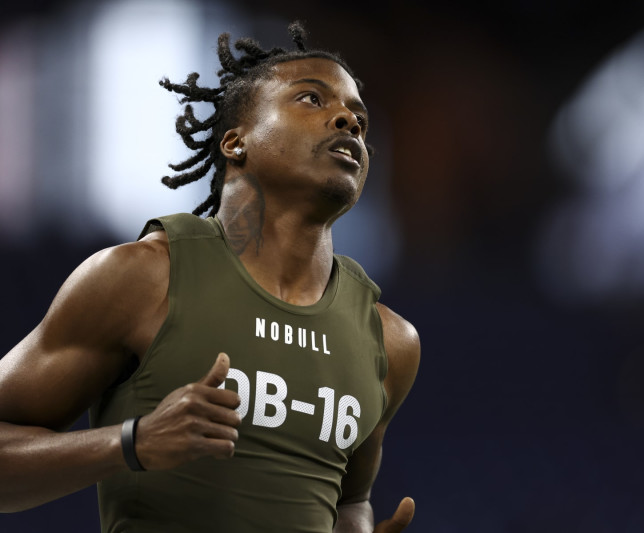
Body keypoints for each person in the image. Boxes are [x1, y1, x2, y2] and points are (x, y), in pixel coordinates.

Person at [0, 21, 419, 533]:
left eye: (359, 119)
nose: (347, 123)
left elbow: (350, 501)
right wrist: (132, 442)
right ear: (235, 141)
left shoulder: (389, 340)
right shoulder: (144, 277)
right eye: (312, 99)